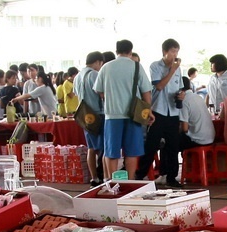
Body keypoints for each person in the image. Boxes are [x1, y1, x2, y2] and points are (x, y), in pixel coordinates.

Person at [95, 39, 152, 177]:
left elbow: (99, 90)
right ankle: (130, 181)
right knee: (131, 152)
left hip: (112, 116)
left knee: (112, 152)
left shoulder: (106, 67)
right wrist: (148, 110)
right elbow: (146, 92)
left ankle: (113, 182)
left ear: (116, 51)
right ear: (130, 51)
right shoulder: (136, 66)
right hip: (133, 115)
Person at [138, 38, 185, 187]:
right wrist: (171, 71)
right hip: (158, 110)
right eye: (172, 51)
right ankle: (140, 174)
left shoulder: (179, 70)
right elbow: (158, 86)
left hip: (173, 112)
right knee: (152, 144)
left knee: (173, 146)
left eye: (177, 52)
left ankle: (171, 177)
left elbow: (180, 87)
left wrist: (181, 95)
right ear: (165, 52)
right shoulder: (155, 66)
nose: (175, 55)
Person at [75, 52, 106, 185]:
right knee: (104, 148)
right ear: (98, 62)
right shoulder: (93, 74)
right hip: (97, 114)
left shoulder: (77, 76)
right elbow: (101, 93)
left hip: (84, 116)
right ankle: (105, 177)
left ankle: (94, 178)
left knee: (91, 148)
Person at [179, 82, 214, 149]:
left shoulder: (184, 101)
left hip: (198, 141)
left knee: (170, 141)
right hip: (211, 138)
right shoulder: (198, 97)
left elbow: (184, 129)